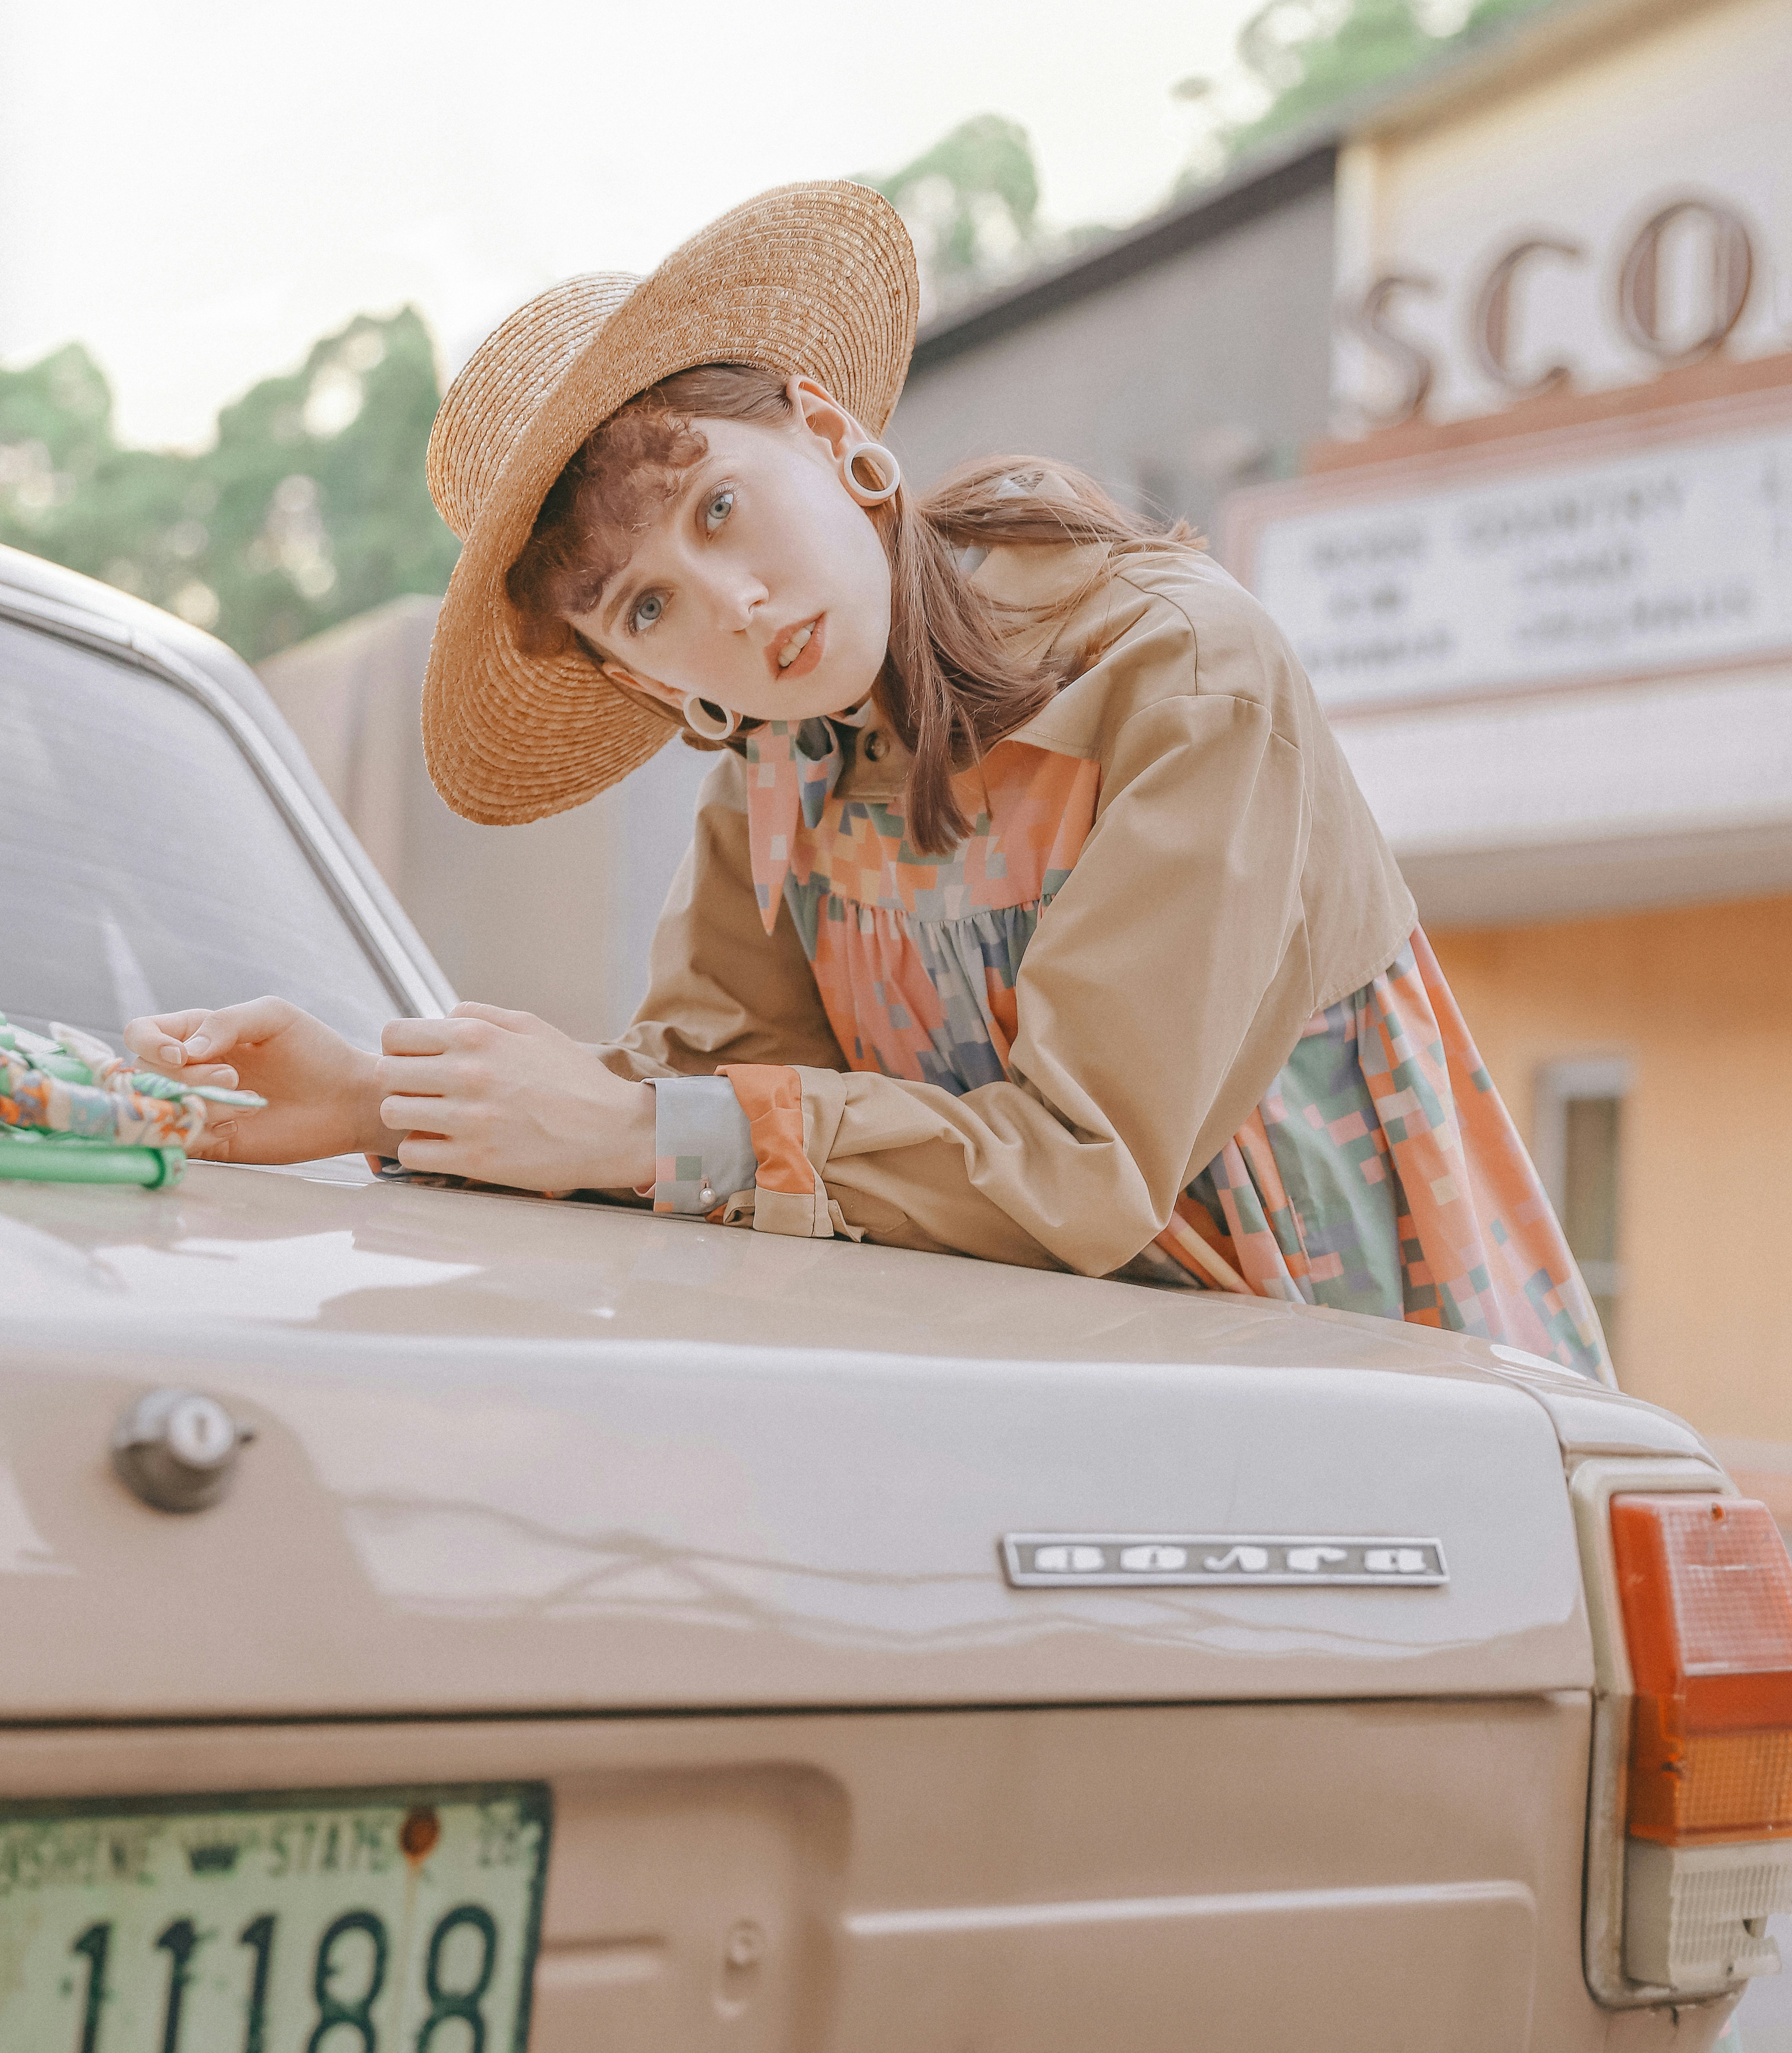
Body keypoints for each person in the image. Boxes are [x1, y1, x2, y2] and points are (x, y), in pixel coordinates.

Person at [127, 181, 1609, 1382]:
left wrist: (637, 1129)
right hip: (1040, 1388)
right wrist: (374, 1101)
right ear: (641, 677)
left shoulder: (1182, 677)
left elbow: (1080, 1168)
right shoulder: (775, 772)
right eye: (647, 608)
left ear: (831, 436)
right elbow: (698, 1100)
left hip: (1375, 1387)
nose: (733, 607)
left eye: (722, 506)